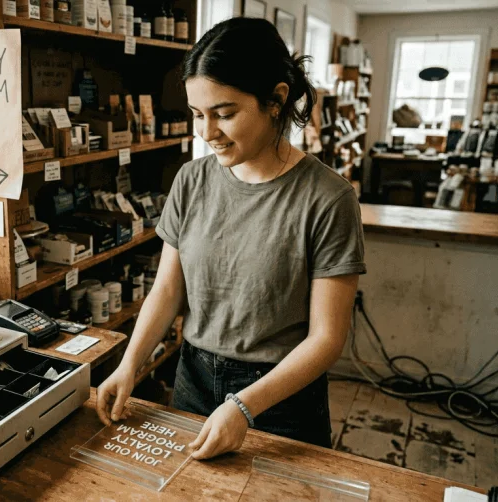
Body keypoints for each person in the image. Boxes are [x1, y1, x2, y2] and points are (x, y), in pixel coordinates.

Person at [95, 17, 365, 460]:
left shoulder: (329, 199)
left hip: (283, 399)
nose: (206, 133)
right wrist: (129, 365)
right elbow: (167, 289)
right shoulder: (191, 180)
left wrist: (244, 405)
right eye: (198, 115)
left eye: (224, 114)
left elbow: (327, 338)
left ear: (276, 100)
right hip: (194, 380)